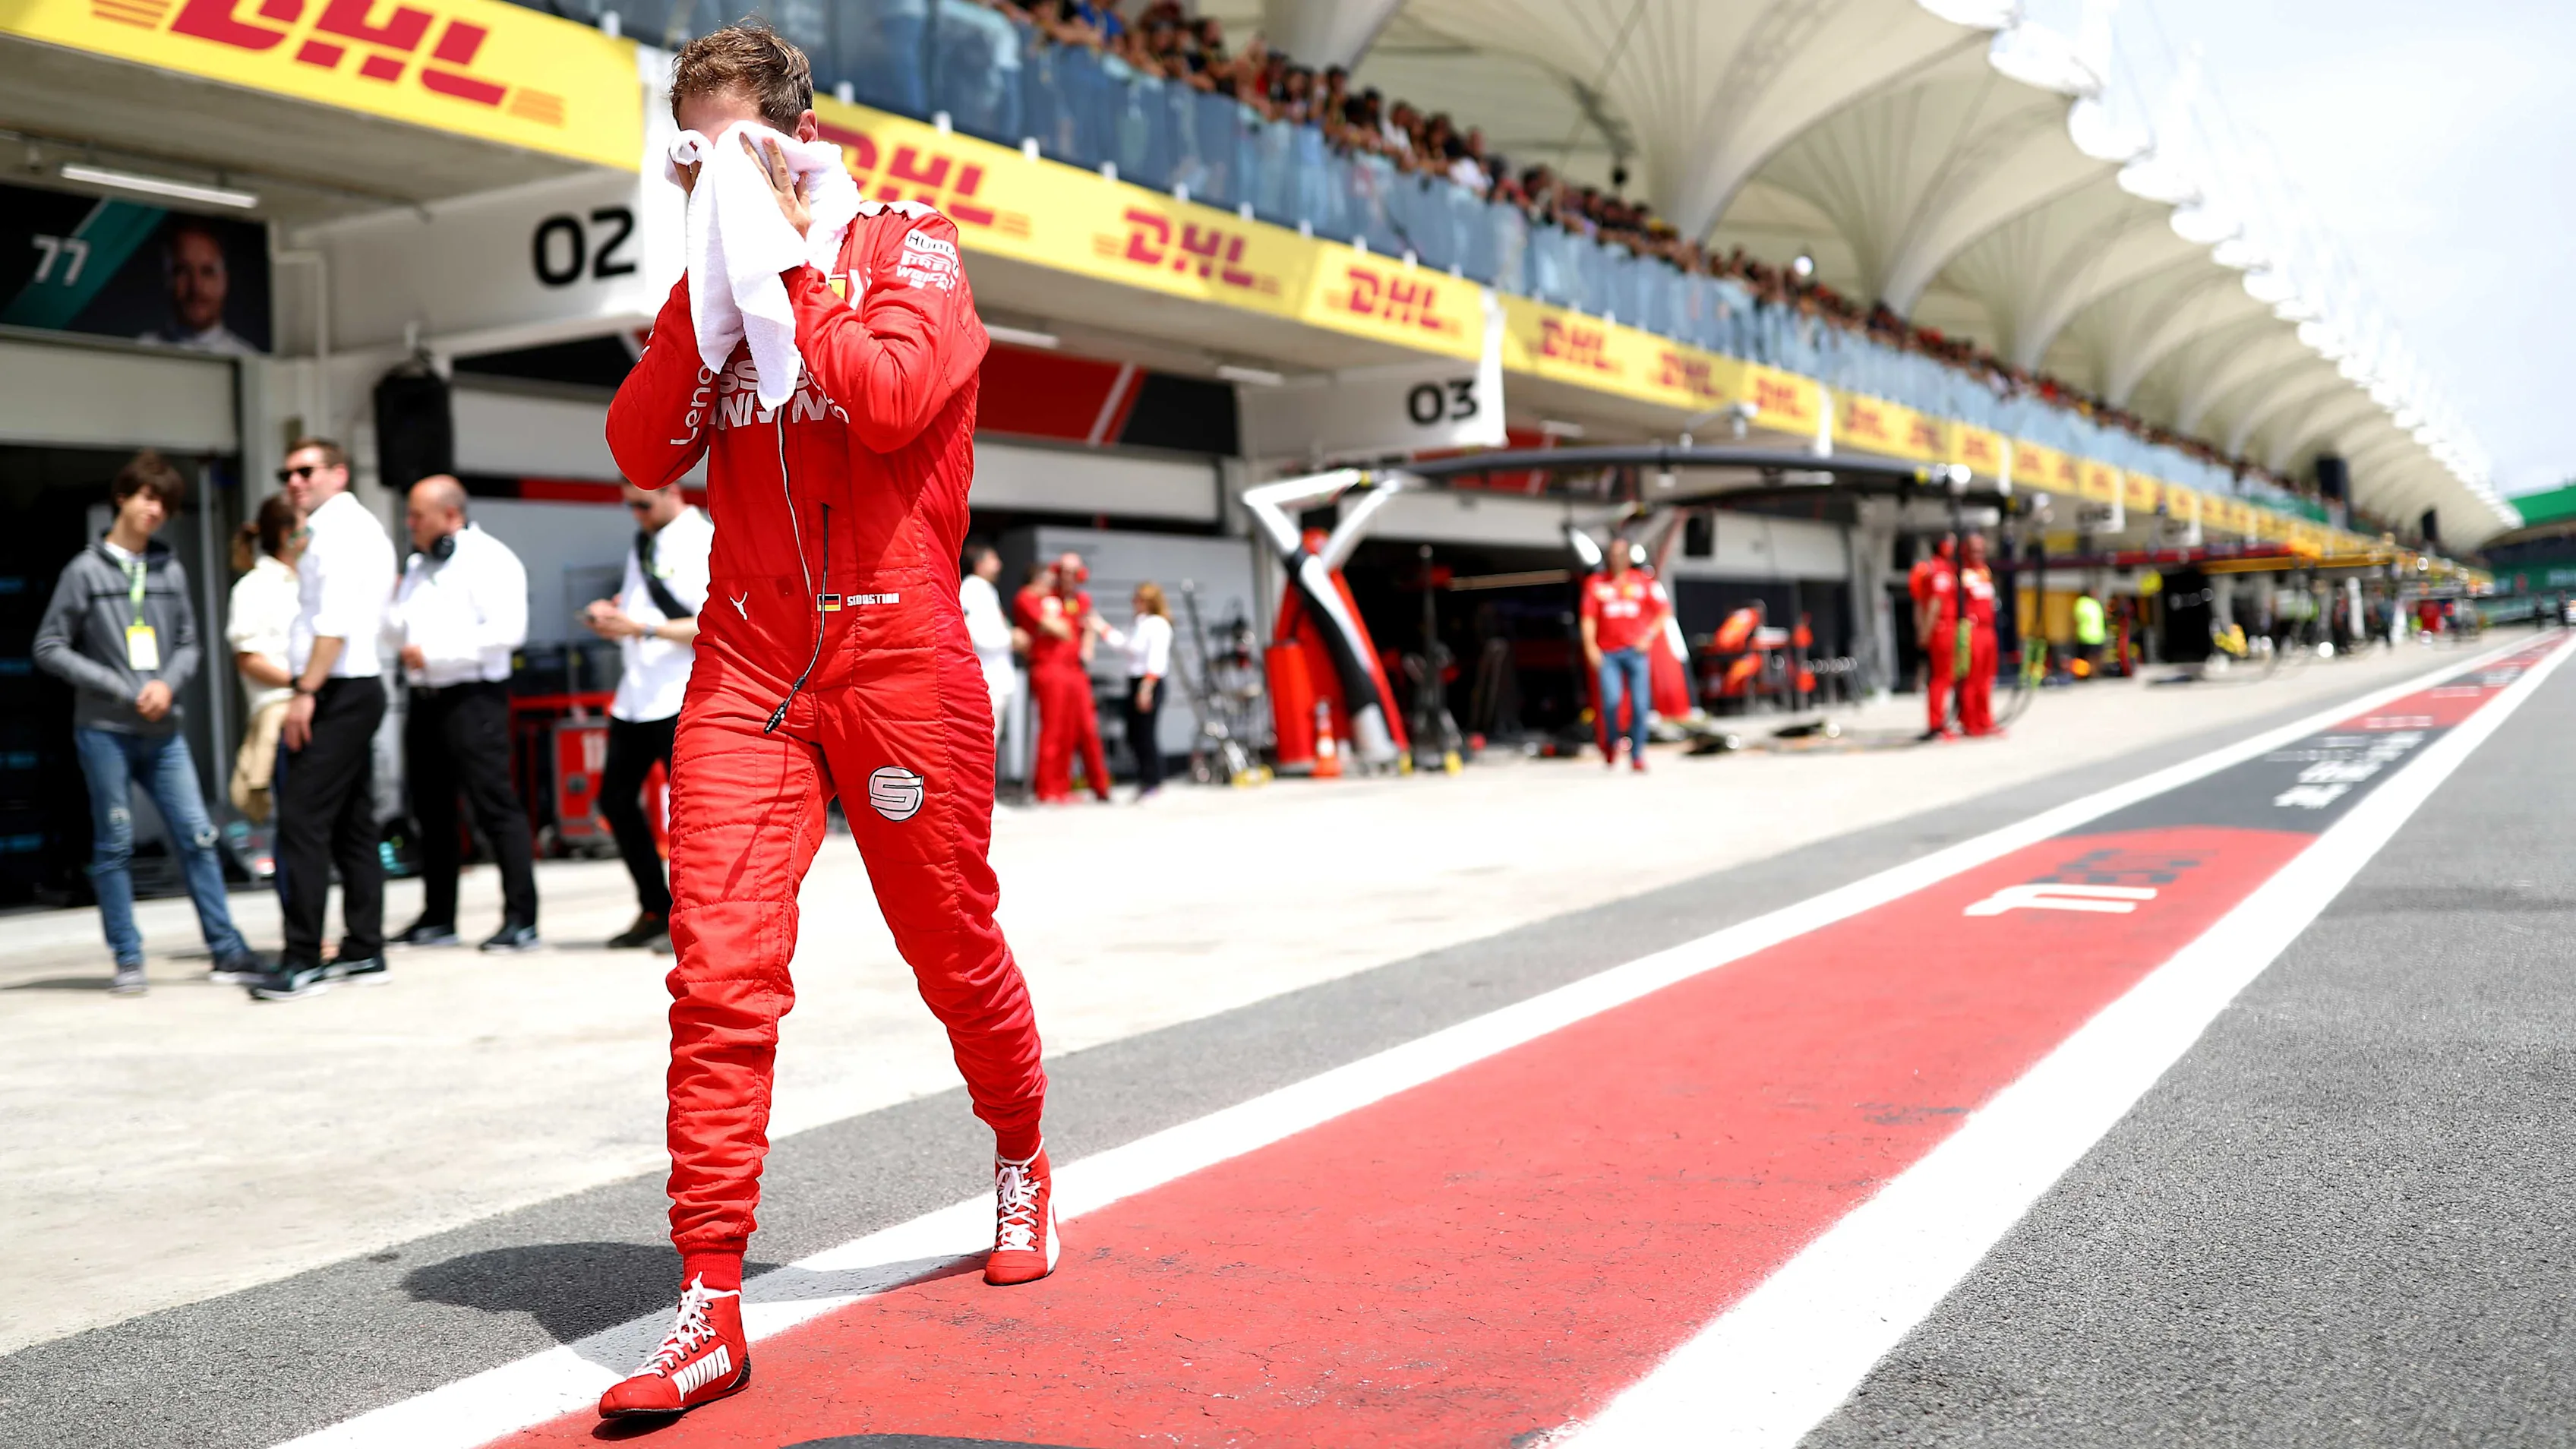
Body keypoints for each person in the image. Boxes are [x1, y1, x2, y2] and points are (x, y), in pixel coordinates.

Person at [596, 24, 1053, 1419]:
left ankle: (1021, 1149)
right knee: (717, 973)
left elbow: (893, 394)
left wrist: (793, 259)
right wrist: (706, 291)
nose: (715, 175)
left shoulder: (907, 245)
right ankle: (710, 1299)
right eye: (693, 153)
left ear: (798, 138)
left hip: (898, 653)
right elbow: (638, 449)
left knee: (949, 940)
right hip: (745, 665)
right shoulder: (710, 296)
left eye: (737, 146)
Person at [33, 450, 264, 994]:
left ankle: (227, 949)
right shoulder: (84, 571)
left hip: (164, 730)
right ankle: (128, 957)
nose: (155, 510)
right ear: (123, 496)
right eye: (147, 497)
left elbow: (188, 643)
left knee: (198, 836)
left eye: (165, 503)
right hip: (105, 731)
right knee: (114, 844)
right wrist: (119, 686)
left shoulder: (169, 569)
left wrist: (168, 683)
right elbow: (48, 646)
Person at [244, 438, 398, 1002]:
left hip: (338, 687)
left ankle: (303, 958)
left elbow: (331, 621)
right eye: (287, 472)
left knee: (302, 821)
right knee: (353, 824)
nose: (294, 481)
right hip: (353, 684)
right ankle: (364, 947)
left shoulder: (337, 530)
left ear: (338, 472)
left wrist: (306, 690)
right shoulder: (352, 525)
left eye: (306, 471)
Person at [387, 475, 541, 953]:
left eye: (418, 516)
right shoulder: (417, 565)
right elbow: (396, 626)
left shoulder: (491, 559)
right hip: (425, 700)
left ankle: (522, 919)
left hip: (474, 699)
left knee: (495, 807)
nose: (410, 524)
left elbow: (507, 633)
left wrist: (434, 653)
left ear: (451, 515)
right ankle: (438, 917)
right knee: (431, 811)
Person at [584, 482, 712, 952]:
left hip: (684, 694)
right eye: (629, 506)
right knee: (615, 802)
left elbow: (713, 622)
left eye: (644, 503)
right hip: (637, 695)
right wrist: (613, 614)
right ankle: (656, 907)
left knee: (694, 817)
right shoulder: (644, 541)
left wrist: (642, 627)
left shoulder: (703, 540)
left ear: (673, 491)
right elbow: (639, 607)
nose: (636, 514)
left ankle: (696, 924)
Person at [226, 492, 303, 829]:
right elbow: (248, 660)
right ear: (287, 533)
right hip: (283, 715)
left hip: (321, 708)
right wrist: (303, 683)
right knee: (296, 823)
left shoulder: (312, 578)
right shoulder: (254, 586)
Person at [1018, 551, 1112, 803]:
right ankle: (1049, 790)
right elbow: (1043, 620)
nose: (1069, 577)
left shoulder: (1080, 599)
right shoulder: (1042, 596)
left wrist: (1088, 645)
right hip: (1050, 667)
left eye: (1074, 571)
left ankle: (1094, 787)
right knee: (1053, 730)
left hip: (1075, 670)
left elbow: (1088, 624)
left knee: (1084, 729)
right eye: (1064, 571)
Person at [1579, 541, 1667, 772]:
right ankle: (1611, 742)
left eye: (1620, 554)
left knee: (1640, 706)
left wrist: (1648, 636)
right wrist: (1590, 646)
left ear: (1627, 558)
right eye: (1612, 555)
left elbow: (1663, 612)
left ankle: (1637, 754)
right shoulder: (1596, 583)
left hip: (1636, 653)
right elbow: (1588, 618)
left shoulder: (1643, 582)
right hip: (1608, 653)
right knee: (1611, 701)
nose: (1616, 558)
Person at [135, 219, 257, 356]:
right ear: (168, 278)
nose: (196, 286)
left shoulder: (248, 358)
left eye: (207, 271)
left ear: (224, 280)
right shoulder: (141, 353)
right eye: (183, 271)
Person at [1103, 581, 1173, 798]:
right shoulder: (1139, 623)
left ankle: (1153, 781)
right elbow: (1128, 647)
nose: (1134, 603)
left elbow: (1156, 658)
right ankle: (1145, 779)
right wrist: (1102, 628)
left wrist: (1147, 687)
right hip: (1136, 681)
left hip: (1148, 682)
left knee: (1145, 734)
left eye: (1138, 599)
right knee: (1134, 734)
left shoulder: (1158, 624)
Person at [958, 542, 1018, 740]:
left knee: (991, 741)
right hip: (986, 677)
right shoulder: (972, 589)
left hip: (996, 676)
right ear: (980, 563)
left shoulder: (986, 589)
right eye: (994, 560)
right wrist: (1012, 637)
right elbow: (977, 635)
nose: (999, 565)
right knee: (984, 742)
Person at [1908, 532, 1959, 740]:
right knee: (1941, 679)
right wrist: (1926, 632)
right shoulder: (1939, 571)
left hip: (1945, 628)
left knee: (1944, 678)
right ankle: (1937, 724)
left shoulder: (1938, 570)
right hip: (1942, 629)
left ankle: (1940, 723)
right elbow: (1933, 605)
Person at [1958, 533, 2001, 737]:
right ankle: (1970, 722)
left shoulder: (1985, 571)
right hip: (1972, 630)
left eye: (1981, 549)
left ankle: (1986, 720)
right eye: (1974, 549)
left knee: (1987, 678)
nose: (1979, 553)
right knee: (1972, 678)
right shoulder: (1962, 573)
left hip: (1988, 629)